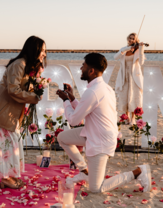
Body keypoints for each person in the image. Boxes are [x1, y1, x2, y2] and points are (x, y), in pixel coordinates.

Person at [56, 53, 151, 193]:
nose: (81, 68)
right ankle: (84, 170)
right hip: (93, 132)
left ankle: (138, 172)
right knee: (62, 138)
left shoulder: (93, 91)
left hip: (100, 140)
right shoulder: (104, 88)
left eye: (84, 65)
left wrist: (65, 101)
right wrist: (71, 99)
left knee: (96, 189)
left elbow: (74, 120)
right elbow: (85, 111)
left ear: (91, 70)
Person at [0, 36, 46, 189]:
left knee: (12, 144)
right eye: (43, 50)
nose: (44, 54)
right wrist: (34, 97)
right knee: (8, 145)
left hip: (10, 112)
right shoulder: (19, 64)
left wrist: (36, 86)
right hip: (2, 110)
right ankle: (6, 178)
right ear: (34, 49)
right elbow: (13, 90)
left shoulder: (27, 66)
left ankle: (9, 176)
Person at [114, 33, 145, 125]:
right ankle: (126, 118)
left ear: (136, 40)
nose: (131, 40)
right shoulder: (124, 49)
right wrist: (127, 48)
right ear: (128, 39)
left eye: (133, 39)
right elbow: (115, 57)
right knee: (125, 96)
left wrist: (141, 49)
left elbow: (141, 62)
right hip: (124, 76)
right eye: (130, 38)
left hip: (134, 77)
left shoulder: (137, 50)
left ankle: (133, 119)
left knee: (133, 96)